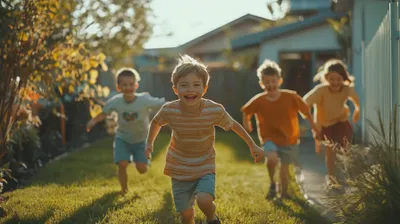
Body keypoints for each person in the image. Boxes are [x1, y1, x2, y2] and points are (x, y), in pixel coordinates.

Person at [145, 55, 264, 224]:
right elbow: (156, 122)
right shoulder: (169, 110)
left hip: (204, 165)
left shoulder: (213, 110)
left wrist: (252, 145)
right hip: (179, 167)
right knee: (186, 215)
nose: (190, 90)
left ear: (205, 88)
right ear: (175, 89)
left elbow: (234, 125)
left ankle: (211, 218)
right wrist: (150, 143)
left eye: (196, 85)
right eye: (184, 85)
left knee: (204, 199)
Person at [241, 59, 319, 200]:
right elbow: (246, 111)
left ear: (280, 81)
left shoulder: (291, 97)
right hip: (269, 138)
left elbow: (306, 112)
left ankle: (284, 193)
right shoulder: (259, 100)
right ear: (262, 84)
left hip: (289, 139)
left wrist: (314, 129)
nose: (270, 85)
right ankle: (272, 183)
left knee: (284, 168)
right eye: (267, 82)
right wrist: (247, 123)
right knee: (271, 159)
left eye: (273, 81)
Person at [86, 67, 165, 195]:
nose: (128, 87)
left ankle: (139, 160)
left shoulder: (144, 100)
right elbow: (104, 113)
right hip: (122, 138)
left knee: (142, 169)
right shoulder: (116, 101)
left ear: (136, 85)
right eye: (124, 85)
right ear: (118, 87)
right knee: (122, 164)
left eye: (131, 84)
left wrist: (178, 106)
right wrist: (93, 121)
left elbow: (162, 103)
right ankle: (124, 190)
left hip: (141, 140)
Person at [303, 59, 360, 191]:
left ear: (344, 78)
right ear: (326, 78)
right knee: (330, 150)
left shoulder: (347, 89)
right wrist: (313, 125)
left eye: (338, 79)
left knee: (345, 148)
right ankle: (331, 177)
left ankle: (347, 174)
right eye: (331, 79)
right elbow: (304, 104)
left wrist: (357, 111)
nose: (335, 82)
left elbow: (356, 100)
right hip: (325, 124)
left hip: (341, 121)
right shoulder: (321, 90)